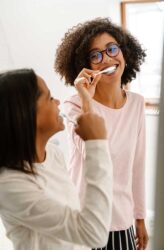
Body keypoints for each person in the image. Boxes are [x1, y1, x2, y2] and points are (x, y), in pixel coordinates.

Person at [54, 17, 149, 250]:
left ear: (124, 52)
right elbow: (94, 154)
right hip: (86, 218)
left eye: (112, 49)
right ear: (84, 66)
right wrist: (87, 100)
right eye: (95, 55)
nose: (107, 58)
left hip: (122, 218)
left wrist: (140, 218)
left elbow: (137, 165)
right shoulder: (74, 105)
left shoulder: (137, 103)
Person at [0, 68, 113, 250]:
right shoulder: (10, 185)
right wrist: (97, 143)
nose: (58, 102)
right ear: (26, 113)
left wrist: (86, 100)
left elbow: (73, 225)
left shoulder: (53, 154)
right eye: (50, 98)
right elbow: (94, 234)